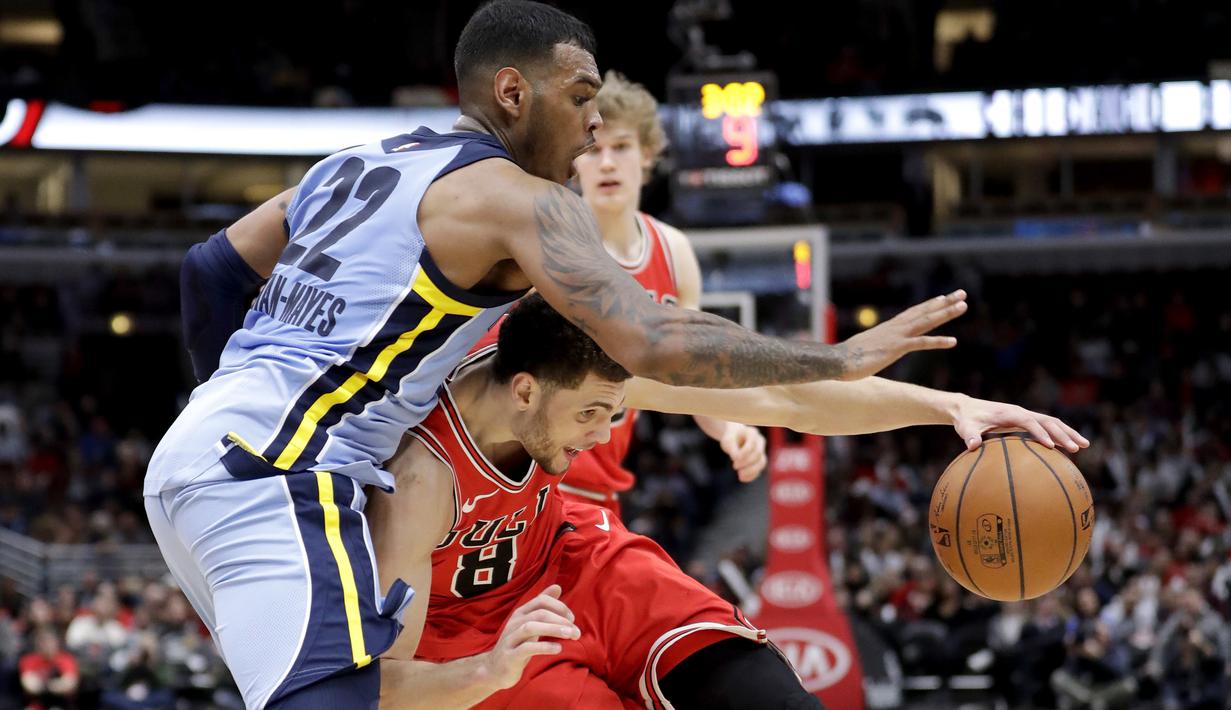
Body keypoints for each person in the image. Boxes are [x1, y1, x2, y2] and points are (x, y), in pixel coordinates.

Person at [155, 1, 970, 707]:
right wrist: (835, 357)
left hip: (206, 455)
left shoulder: (356, 164)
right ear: (512, 92)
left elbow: (211, 270)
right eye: (580, 97)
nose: (592, 123)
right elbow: (652, 338)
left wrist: (220, 400)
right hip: (286, 466)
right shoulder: (522, 202)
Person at [366, 294, 1088, 708]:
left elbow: (777, 393)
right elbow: (381, 687)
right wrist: (488, 671)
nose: (602, 435)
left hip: (572, 557)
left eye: (614, 415)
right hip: (468, 635)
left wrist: (949, 406)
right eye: (591, 416)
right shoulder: (420, 479)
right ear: (523, 390)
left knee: (765, 697)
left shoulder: (576, 354)